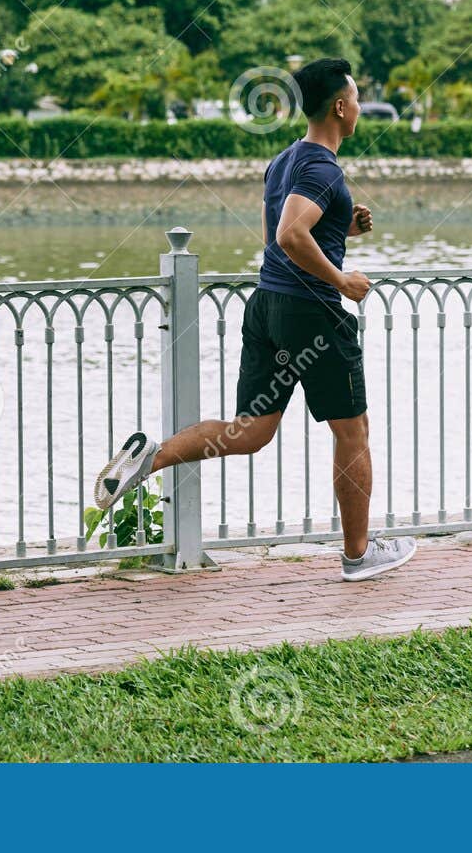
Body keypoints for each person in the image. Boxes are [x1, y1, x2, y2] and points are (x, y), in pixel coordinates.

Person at [94, 58, 415, 581]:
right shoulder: (323, 168)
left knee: (250, 431)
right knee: (353, 433)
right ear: (339, 106)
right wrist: (342, 279)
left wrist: (339, 230)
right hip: (312, 313)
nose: (359, 107)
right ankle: (359, 555)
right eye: (355, 98)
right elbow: (291, 236)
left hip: (268, 307)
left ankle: (150, 459)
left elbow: (278, 241)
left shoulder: (284, 161)